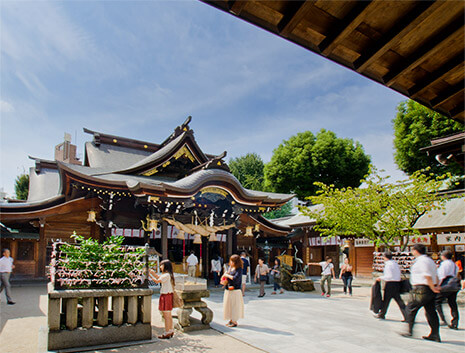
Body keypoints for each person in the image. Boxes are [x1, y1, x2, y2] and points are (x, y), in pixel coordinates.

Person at [400, 244, 441, 342]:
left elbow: (427, 276)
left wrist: (433, 287)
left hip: (421, 288)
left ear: (416, 251)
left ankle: (409, 331)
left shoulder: (422, 261)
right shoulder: (430, 260)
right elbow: (435, 275)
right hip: (429, 288)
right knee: (431, 311)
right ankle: (435, 334)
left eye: (413, 250)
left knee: (410, 307)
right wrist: (436, 286)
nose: (412, 252)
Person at [374, 252, 406, 321]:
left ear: (385, 257)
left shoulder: (388, 265)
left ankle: (382, 314)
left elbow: (389, 276)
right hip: (397, 284)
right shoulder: (395, 264)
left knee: (386, 300)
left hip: (390, 284)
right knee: (399, 301)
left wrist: (380, 278)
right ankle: (407, 315)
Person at [150, 259, 175, 339]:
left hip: (166, 295)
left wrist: (149, 275)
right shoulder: (168, 274)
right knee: (168, 314)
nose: (160, 267)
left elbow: (157, 281)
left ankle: (167, 332)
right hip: (168, 295)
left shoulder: (166, 275)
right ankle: (170, 330)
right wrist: (152, 273)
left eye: (161, 265)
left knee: (166, 315)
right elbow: (158, 277)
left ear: (165, 266)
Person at [436, 250, 459, 330]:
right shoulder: (454, 264)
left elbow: (442, 276)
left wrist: (438, 285)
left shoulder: (444, 264)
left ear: (443, 256)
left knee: (437, 301)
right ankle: (455, 322)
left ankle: (443, 319)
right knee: (453, 303)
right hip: (454, 285)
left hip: (446, 285)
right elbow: (456, 274)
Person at [222, 254, 244, 327]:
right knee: (229, 305)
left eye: (232, 261)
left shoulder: (239, 269)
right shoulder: (230, 268)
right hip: (228, 289)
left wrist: (227, 275)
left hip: (235, 290)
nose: (230, 262)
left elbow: (236, 278)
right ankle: (231, 319)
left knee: (234, 306)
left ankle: (234, 321)